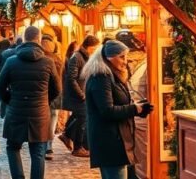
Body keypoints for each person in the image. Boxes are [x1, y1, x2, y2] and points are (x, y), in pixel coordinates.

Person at [0, 26, 61, 179]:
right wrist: (45, 100)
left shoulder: (11, 61)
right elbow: (57, 89)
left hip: (16, 110)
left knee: (13, 147)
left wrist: (10, 100)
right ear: (39, 39)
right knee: (38, 151)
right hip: (39, 113)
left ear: (24, 39)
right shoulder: (48, 62)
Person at [83, 39, 151, 179]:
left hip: (116, 139)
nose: (125, 61)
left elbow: (118, 102)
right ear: (109, 57)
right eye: (121, 57)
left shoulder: (112, 75)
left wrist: (138, 107)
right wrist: (135, 109)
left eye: (126, 56)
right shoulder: (101, 77)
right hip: (110, 141)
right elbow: (107, 110)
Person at [61, 34, 97, 157]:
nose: (95, 50)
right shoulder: (77, 57)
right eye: (94, 48)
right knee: (82, 119)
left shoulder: (85, 57)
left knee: (79, 117)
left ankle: (66, 135)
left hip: (82, 93)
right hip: (78, 95)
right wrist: (81, 95)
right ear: (89, 46)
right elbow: (72, 78)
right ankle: (78, 147)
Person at [41, 36, 65, 161]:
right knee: (53, 119)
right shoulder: (58, 59)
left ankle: (44, 145)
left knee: (44, 120)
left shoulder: (40, 59)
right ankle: (49, 145)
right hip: (56, 94)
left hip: (43, 95)